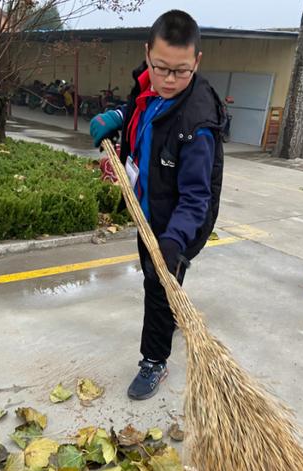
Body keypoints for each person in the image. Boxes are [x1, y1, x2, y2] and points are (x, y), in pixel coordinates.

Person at [89, 10, 226, 400]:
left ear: (196, 62)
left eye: (180, 72)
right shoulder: (148, 82)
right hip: (146, 209)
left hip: (175, 224)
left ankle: (154, 360)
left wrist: (175, 242)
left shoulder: (198, 125)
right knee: (159, 285)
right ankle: (168, 317)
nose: (168, 80)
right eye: (161, 67)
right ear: (148, 54)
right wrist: (118, 116)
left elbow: (197, 197)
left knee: (159, 287)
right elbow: (141, 108)